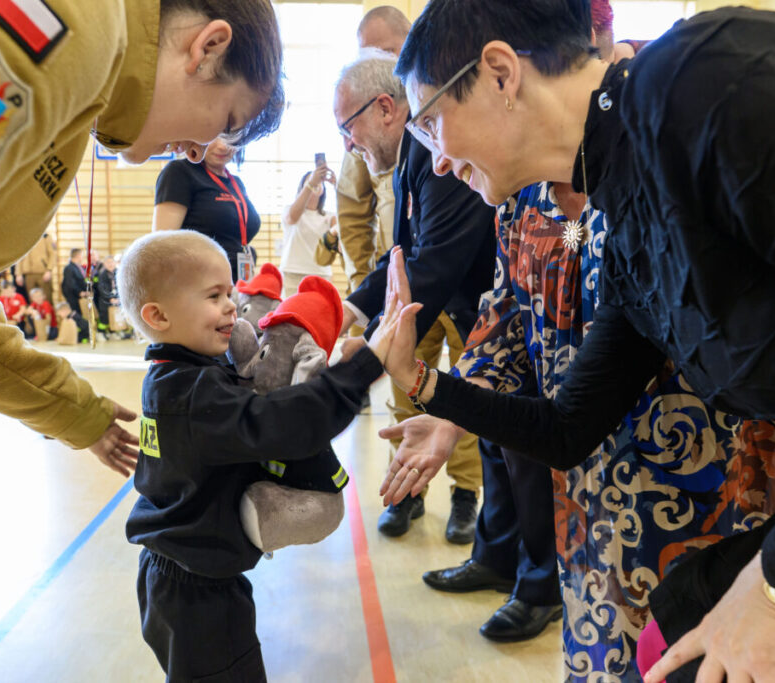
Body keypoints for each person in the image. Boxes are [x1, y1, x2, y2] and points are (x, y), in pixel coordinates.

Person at [375, 2, 775, 680]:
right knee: (677, 620)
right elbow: (568, 427)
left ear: (501, 72)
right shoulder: (624, 205)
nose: (438, 164)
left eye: (429, 125)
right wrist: (426, 384)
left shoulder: (704, 79)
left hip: (766, 492)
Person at [0, 1, 285, 677]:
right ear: (208, 47)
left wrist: (74, 410)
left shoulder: (82, 104)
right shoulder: (80, 24)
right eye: (220, 123)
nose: (194, 151)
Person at [115, 230, 396, 680]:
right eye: (213, 296)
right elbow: (283, 424)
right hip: (198, 592)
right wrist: (362, 368)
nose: (231, 305)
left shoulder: (176, 377)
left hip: (176, 576)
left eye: (229, 292)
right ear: (158, 316)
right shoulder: (194, 395)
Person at [333, 53, 493, 543]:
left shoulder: (431, 151)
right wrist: (348, 310)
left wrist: (371, 354)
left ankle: (484, 526)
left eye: (347, 126)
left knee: (477, 424)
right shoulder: (407, 159)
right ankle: (493, 558)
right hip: (445, 301)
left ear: (385, 107)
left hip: (482, 311)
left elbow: (434, 264)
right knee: (424, 408)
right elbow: (403, 255)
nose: (346, 143)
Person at [335, 7, 409, 301]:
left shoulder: (442, 115)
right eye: (368, 55)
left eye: (388, 51)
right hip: (394, 274)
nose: (380, 62)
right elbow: (353, 211)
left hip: (455, 276)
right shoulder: (360, 129)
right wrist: (362, 287)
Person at [153, 137, 261, 282]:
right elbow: (162, 243)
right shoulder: (179, 172)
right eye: (214, 138)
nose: (223, 146)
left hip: (236, 279)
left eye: (230, 139)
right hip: (199, 280)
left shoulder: (236, 182)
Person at [279, 165, 337, 297]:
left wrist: (337, 186)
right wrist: (311, 183)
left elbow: (341, 233)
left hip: (321, 274)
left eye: (319, 181)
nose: (316, 183)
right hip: (292, 274)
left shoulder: (329, 216)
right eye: (311, 180)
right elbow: (292, 218)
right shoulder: (289, 210)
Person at [16, 232, 57, 304]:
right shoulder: (23, 237)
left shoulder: (45, 236)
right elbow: (19, 256)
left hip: (43, 273)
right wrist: (18, 274)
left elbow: (52, 254)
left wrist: (49, 270)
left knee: (46, 300)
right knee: (32, 301)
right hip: (28, 274)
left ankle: (48, 315)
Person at [94, 254, 121, 339]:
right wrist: (110, 298)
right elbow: (102, 289)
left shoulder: (118, 272)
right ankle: (100, 333)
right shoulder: (102, 274)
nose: (110, 264)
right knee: (104, 318)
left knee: (114, 317)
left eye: (112, 262)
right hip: (105, 300)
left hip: (116, 300)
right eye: (108, 263)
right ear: (105, 264)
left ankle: (113, 332)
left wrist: (118, 298)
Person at [61, 248, 88, 316]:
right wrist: (79, 292)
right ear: (78, 255)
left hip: (78, 296)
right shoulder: (69, 268)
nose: (82, 257)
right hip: (73, 296)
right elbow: (70, 283)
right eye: (82, 255)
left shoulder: (77, 267)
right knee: (76, 314)